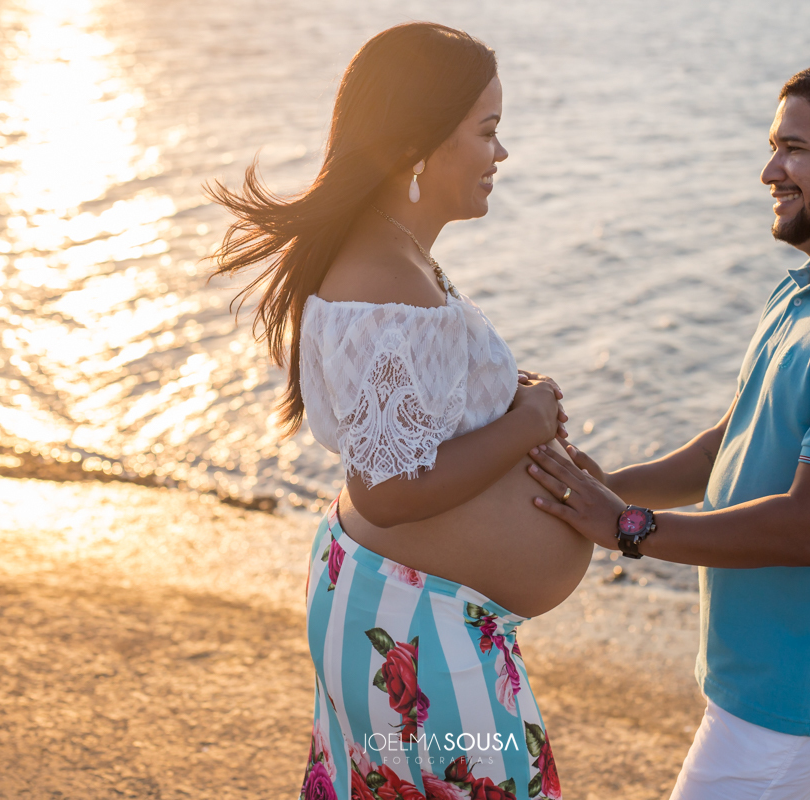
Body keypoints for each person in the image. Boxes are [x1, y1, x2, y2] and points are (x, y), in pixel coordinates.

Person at [526, 60, 810, 799]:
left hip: (802, 685)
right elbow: (724, 445)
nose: (769, 171)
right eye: (772, 147)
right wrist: (600, 489)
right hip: (766, 667)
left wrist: (630, 528)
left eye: (794, 149)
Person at [209, 22, 589, 800]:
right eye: (487, 130)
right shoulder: (386, 280)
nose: (501, 153)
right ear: (418, 145)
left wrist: (505, 398)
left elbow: (407, 426)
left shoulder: (393, 262)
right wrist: (526, 423)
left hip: (414, 607)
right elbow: (388, 488)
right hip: (420, 626)